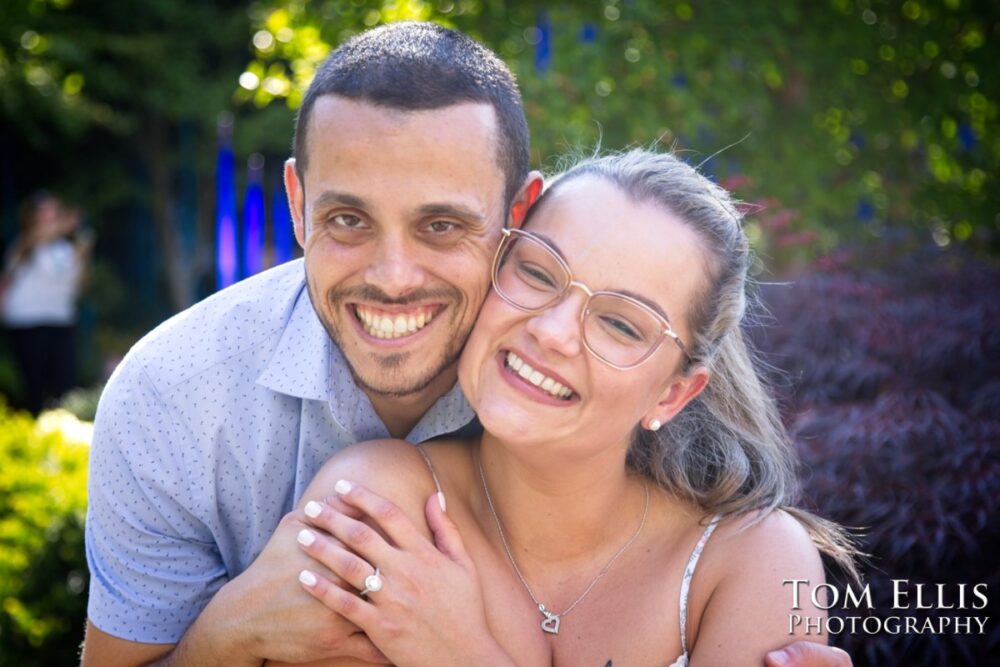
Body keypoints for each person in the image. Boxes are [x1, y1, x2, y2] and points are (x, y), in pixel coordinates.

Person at [81, 22, 852, 667]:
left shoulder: (753, 560)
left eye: (442, 225)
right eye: (543, 277)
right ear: (297, 201)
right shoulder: (354, 490)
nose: (392, 275)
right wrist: (227, 633)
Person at [263, 149, 858, 666]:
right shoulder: (380, 504)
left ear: (672, 394)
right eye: (538, 273)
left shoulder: (751, 562)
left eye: (622, 324)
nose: (552, 332)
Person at [1, 193, 93, 413]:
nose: (51, 217)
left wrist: (83, 254)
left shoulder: (66, 248)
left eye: (55, 211)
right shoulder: (24, 244)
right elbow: (32, 242)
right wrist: (65, 226)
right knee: (33, 389)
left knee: (66, 387)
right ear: (31, 217)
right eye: (45, 212)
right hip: (27, 322)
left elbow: (81, 286)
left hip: (61, 320)